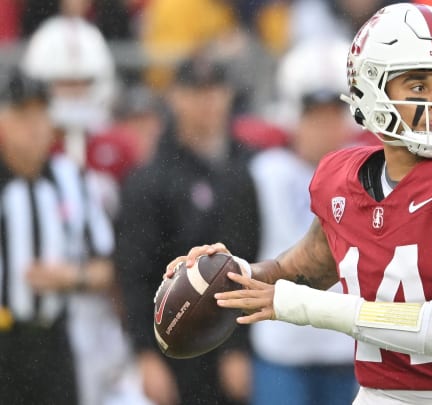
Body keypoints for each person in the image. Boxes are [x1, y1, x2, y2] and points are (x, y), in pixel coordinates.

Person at [168, 4, 432, 404]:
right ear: (370, 88)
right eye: (418, 87)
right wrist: (226, 276)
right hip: (383, 394)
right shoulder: (344, 182)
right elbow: (298, 273)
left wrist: (300, 306)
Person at [115, 53, 260, 405]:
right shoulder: (150, 179)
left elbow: (252, 261)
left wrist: (238, 347)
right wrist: (145, 355)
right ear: (175, 97)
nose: (206, 102)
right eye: (196, 92)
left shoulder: (245, 168)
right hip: (171, 339)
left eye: (214, 91)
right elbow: (133, 274)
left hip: (229, 339)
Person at [248, 37, 359, 405]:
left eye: (333, 117)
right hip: (283, 341)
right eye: (315, 117)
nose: (325, 128)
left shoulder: (365, 175)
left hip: (346, 339)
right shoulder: (264, 172)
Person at [0, 68, 116, 403]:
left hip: (53, 341)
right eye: (23, 115)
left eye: (41, 115)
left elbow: (106, 266)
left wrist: (71, 277)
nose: (35, 127)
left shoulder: (72, 179)